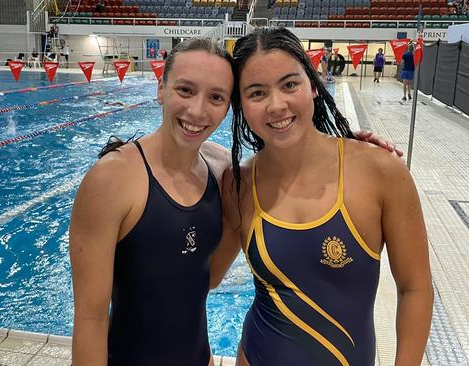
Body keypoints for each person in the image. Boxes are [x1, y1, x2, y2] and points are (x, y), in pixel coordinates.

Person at [69, 37, 401, 366]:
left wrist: (348, 149)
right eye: (185, 90)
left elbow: (209, 277)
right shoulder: (112, 179)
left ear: (228, 106)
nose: (197, 110)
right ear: (161, 89)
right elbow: (90, 319)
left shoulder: (222, 172)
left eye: (216, 97)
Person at [214, 27, 433, 365]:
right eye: (256, 93)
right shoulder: (237, 183)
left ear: (313, 84)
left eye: (290, 85)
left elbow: (415, 288)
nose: (276, 105)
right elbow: (205, 278)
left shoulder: (378, 171)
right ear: (240, 105)